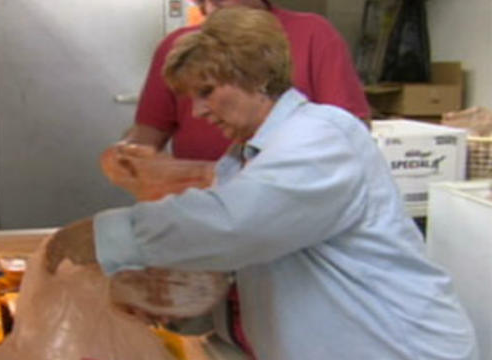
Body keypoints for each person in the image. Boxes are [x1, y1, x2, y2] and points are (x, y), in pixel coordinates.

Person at [45, 7, 477, 360]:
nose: (197, 111)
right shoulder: (245, 157)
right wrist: (180, 307)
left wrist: (107, 234)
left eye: (208, 91)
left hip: (397, 347)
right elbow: (246, 260)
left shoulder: (321, 140)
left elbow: (233, 225)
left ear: (256, 77)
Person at [119, 0, 370, 161]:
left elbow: (349, 133)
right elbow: (148, 133)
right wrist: (131, 156)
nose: (199, 111)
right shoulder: (179, 48)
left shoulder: (314, 34)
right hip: (204, 207)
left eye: (207, 92)